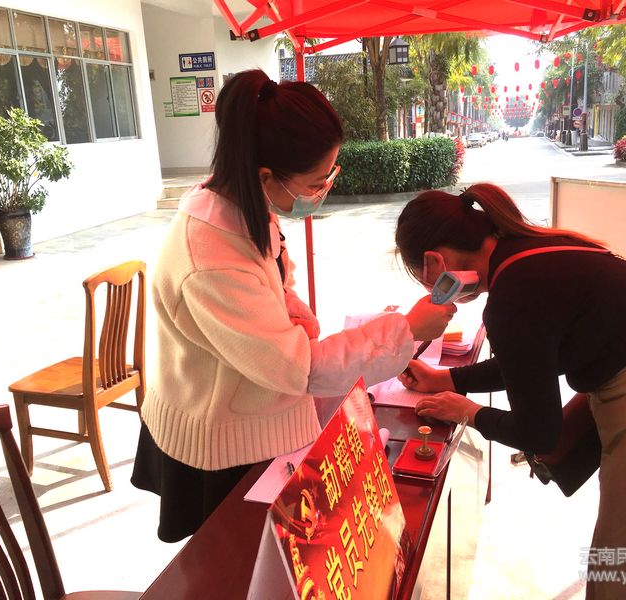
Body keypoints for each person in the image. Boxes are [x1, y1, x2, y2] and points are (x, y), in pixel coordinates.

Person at [131, 69, 454, 543]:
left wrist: (291, 307)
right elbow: (299, 369)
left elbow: (275, 276)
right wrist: (405, 330)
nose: (322, 190)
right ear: (266, 176)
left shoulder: (243, 202)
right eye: (317, 182)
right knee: (234, 563)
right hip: (221, 445)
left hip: (246, 417)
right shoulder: (210, 259)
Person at [395, 183, 626, 599]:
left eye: (427, 282)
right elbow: (529, 360)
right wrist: (448, 379)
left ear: (434, 263)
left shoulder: (513, 293)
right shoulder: (527, 253)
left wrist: (466, 411)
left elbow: (539, 433)